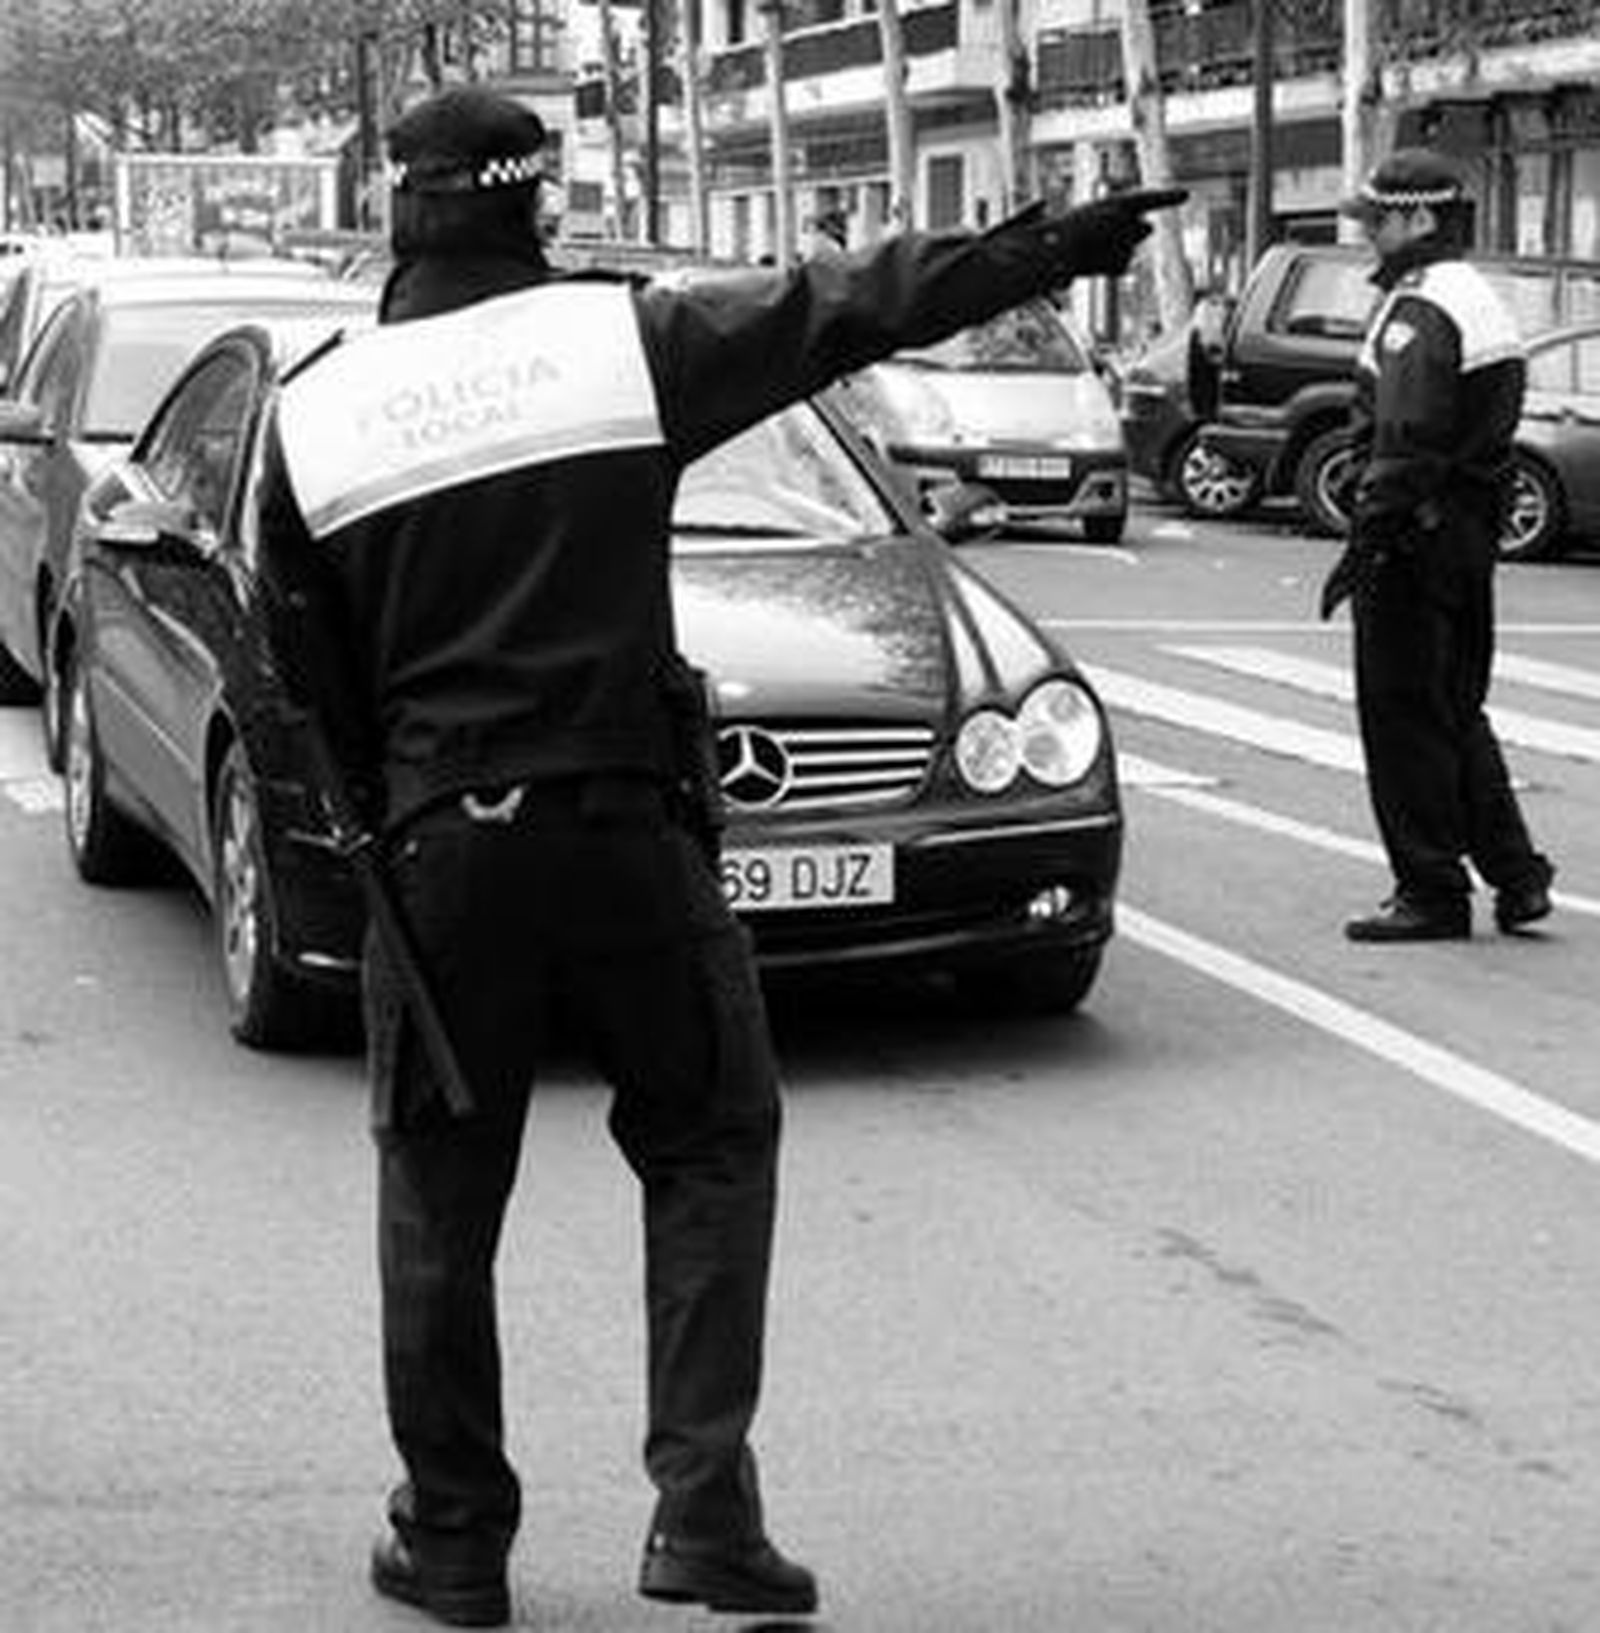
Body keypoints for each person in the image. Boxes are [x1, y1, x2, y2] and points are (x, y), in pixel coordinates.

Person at [259, 84, 1182, 1629]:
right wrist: (1046, 247)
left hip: (439, 847)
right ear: (539, 204)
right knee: (709, 1139)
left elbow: (306, 662)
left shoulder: (318, 409)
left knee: (438, 1193)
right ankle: (703, 1517)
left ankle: (455, 1540)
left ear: (393, 210)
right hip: (627, 830)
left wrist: (388, 826)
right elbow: (845, 304)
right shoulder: (621, 345)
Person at [1320, 147, 1555, 943]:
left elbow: (1407, 435)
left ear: (1420, 217)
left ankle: (1430, 889)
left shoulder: (1420, 307)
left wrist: (1367, 539)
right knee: (1454, 709)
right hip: (1465, 533)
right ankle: (1517, 875)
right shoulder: (1475, 295)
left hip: (1413, 539)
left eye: (1377, 220)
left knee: (1402, 718)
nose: (1368, 235)